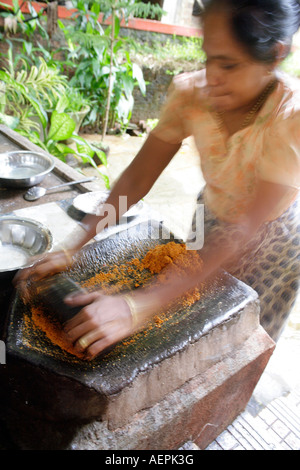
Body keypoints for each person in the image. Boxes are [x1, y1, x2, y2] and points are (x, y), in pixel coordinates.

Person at [15, 0, 300, 359]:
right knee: (191, 301)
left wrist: (139, 306)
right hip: (208, 210)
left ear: (275, 55)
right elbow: (136, 179)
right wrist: (75, 244)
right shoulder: (191, 96)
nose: (212, 76)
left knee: (240, 333)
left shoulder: (289, 119)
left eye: (229, 64)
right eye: (209, 57)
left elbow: (245, 228)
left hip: (272, 239)